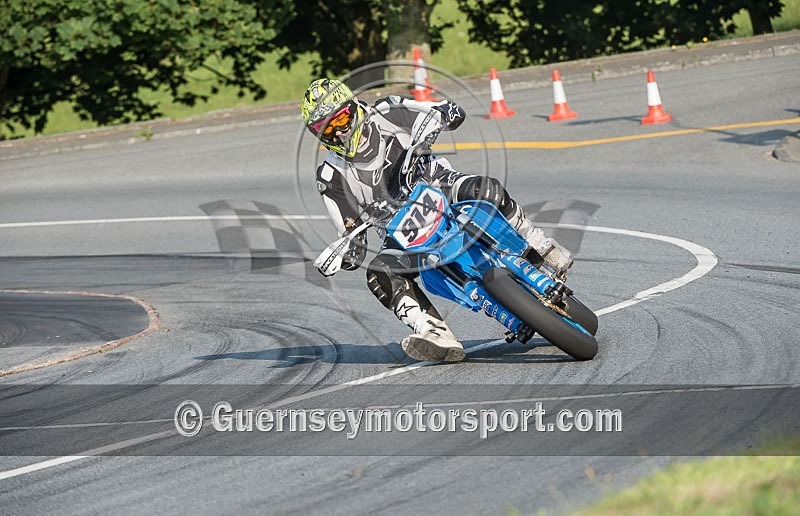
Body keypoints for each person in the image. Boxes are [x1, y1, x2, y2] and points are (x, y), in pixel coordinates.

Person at [301, 78, 573, 362]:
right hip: (400, 228)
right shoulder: (330, 176)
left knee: (486, 189)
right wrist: (347, 253)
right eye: (326, 128)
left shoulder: (387, 111)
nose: (339, 132)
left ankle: (539, 245)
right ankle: (432, 331)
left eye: (341, 119)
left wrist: (444, 114)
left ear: (353, 106)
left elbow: (440, 111)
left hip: (439, 184)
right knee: (378, 273)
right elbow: (350, 232)